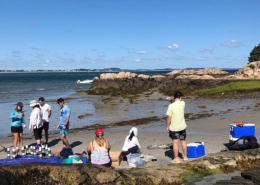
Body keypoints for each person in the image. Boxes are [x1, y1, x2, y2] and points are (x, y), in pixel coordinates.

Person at [166, 90, 188, 163]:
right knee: (183, 141)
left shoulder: (171, 106)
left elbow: (169, 117)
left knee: (175, 142)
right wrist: (172, 99)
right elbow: (177, 101)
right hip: (182, 126)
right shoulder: (183, 103)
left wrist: (167, 126)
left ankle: (176, 159)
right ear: (180, 97)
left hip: (174, 127)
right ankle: (185, 156)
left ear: (174, 97)